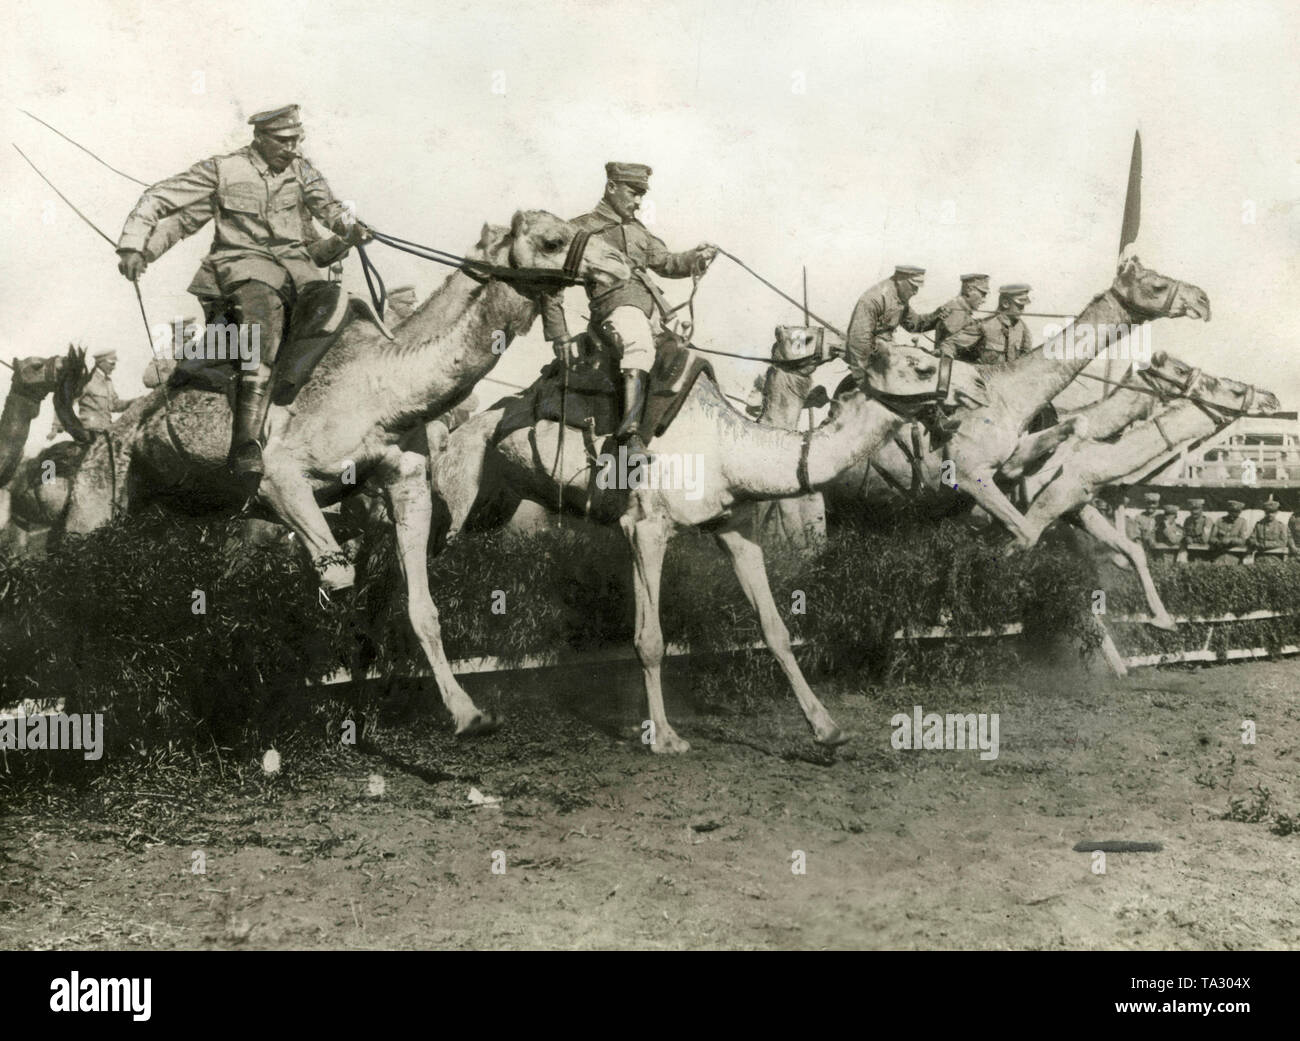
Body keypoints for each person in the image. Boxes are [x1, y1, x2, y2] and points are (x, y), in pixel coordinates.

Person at [114, 104, 371, 491]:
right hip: (241, 269)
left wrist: (349, 230)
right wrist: (136, 248)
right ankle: (245, 445)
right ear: (261, 138)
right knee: (262, 311)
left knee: (340, 308)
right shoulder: (223, 170)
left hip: (297, 275)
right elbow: (162, 202)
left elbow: (330, 213)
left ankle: (295, 400)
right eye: (284, 140)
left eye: (297, 139)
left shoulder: (301, 173)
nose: (292, 147)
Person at [539, 162, 717, 461]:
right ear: (611, 187)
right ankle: (629, 435)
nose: (638, 202)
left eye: (641, 196)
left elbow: (668, 263)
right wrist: (559, 334)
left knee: (682, 357)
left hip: (652, 313)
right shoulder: (580, 229)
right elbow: (551, 283)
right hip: (615, 309)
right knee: (638, 343)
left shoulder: (638, 231)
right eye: (633, 193)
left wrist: (696, 257)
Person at [844, 265, 941, 389]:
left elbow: (914, 324)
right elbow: (858, 341)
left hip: (885, 350)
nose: (916, 292)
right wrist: (862, 380)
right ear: (900, 280)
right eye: (913, 286)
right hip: (870, 356)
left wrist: (937, 316)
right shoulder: (875, 298)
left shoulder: (898, 298)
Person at [934, 274, 990, 361]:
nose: (984, 300)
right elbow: (951, 345)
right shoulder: (955, 310)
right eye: (983, 294)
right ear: (969, 290)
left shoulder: (962, 310)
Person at [975, 284, 1034, 365]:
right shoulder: (984, 325)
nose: (1022, 311)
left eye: (1023, 306)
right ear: (1005, 303)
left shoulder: (1023, 328)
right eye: (1019, 306)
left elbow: (1027, 358)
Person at [1209, 499, 1251, 564]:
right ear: (1228, 511)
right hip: (1219, 555)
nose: (1233, 515)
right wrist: (1218, 542)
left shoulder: (1242, 522)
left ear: (1239, 512)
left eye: (1236, 513)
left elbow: (1243, 540)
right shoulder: (1220, 521)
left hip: (1234, 555)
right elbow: (1212, 538)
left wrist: (1231, 541)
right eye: (1231, 512)